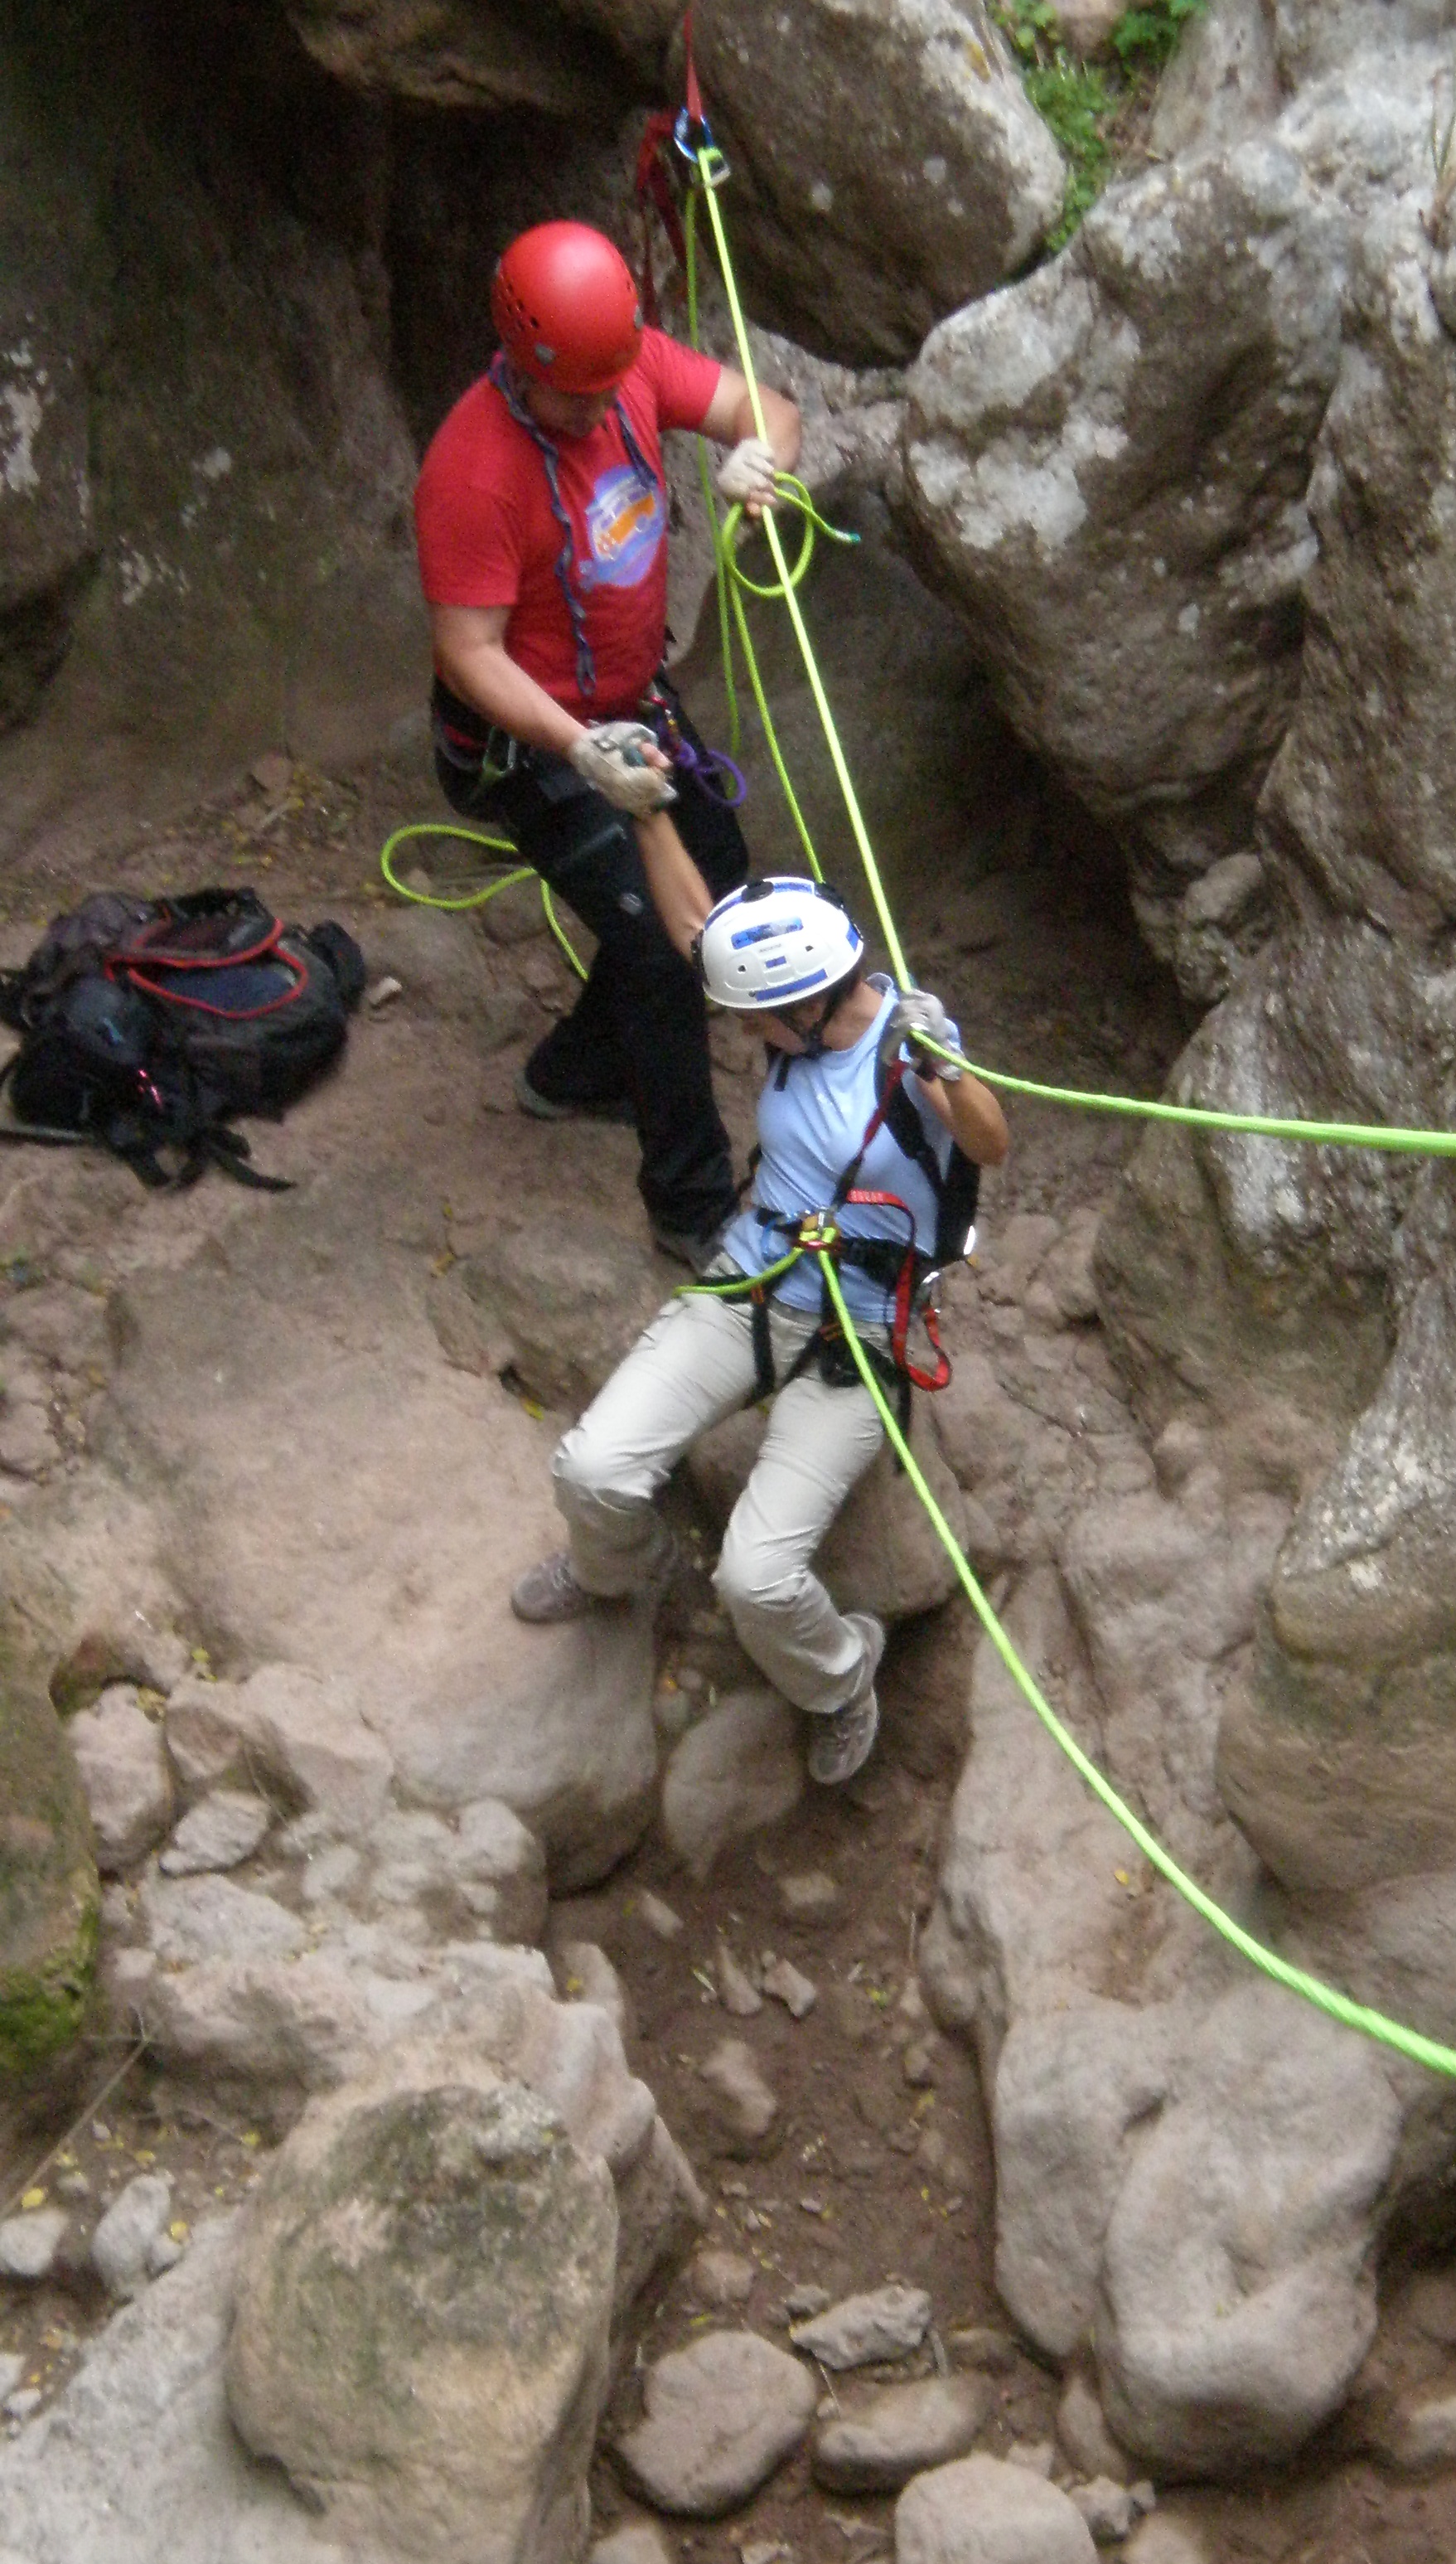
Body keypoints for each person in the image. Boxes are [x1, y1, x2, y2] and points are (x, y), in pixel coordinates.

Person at [510, 823, 1010, 1786]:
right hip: (756, 1278)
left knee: (756, 1577)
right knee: (592, 1471)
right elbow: (696, 927)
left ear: (811, 1003)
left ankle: (841, 1679)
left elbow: (990, 1143)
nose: (747, 1036)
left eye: (759, 1022)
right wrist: (650, 810)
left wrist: (942, 1065)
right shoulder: (786, 986)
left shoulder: (908, 1052)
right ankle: (624, 1569)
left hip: (863, 1328)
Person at [414, 218, 803, 1266]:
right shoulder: (472, 472)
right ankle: (692, 1208)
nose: (595, 411)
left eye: (604, 390)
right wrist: (579, 749)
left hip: (630, 700)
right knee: (660, 943)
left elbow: (764, 408)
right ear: (518, 362)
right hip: (527, 742)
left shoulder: (625, 368)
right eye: (572, 397)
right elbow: (468, 652)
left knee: (716, 866)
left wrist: (760, 460)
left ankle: (575, 1072)